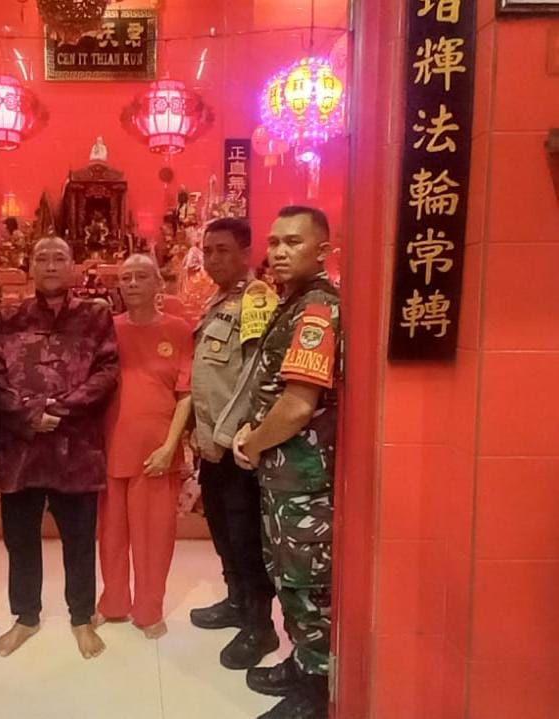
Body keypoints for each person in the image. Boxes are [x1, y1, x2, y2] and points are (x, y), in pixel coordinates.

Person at [0, 236, 119, 659]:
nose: (50, 265)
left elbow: (107, 370)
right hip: (21, 449)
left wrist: (59, 409)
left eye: (59, 257)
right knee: (20, 539)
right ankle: (26, 617)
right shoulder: (7, 318)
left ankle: (81, 617)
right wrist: (28, 414)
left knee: (79, 540)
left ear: (73, 265)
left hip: (75, 447)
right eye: (41, 258)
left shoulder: (96, 316)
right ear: (30, 266)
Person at [233, 206, 341, 719]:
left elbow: (298, 405)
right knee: (286, 575)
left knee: (307, 586)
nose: (278, 252)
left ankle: (316, 695)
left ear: (322, 251)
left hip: (305, 481)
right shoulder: (291, 302)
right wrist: (251, 432)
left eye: (293, 242)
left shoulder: (316, 309)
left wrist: (254, 443)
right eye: (274, 242)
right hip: (284, 474)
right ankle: (301, 664)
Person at [188, 218, 280, 671]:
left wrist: (224, 437)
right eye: (207, 250)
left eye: (222, 250)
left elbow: (255, 376)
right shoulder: (217, 301)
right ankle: (236, 601)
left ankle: (260, 627)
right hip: (211, 446)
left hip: (238, 447)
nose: (212, 259)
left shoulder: (256, 299)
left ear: (246, 252)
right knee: (223, 532)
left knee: (246, 539)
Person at [94, 254, 193, 639]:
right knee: (111, 535)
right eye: (126, 278)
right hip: (111, 447)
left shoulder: (179, 330)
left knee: (154, 537)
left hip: (156, 452)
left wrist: (170, 447)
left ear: (158, 284)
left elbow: (185, 394)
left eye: (140, 276)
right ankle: (113, 603)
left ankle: (149, 610)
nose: (132, 283)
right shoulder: (107, 329)